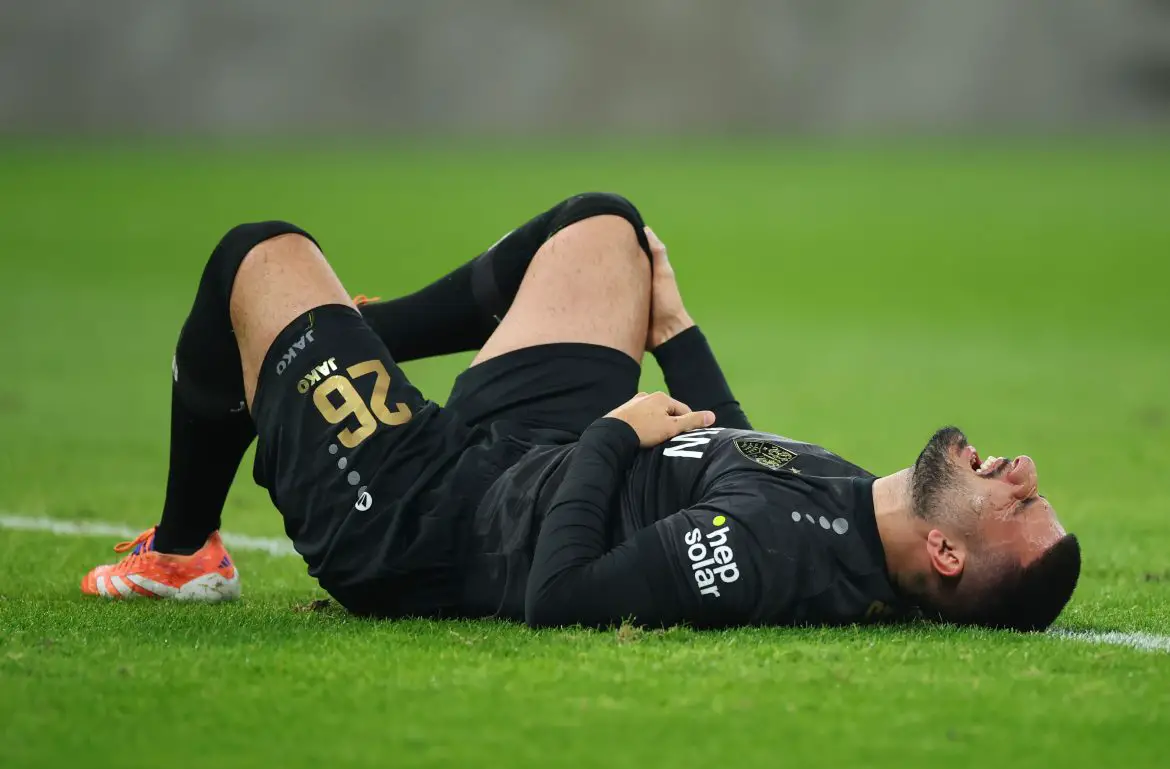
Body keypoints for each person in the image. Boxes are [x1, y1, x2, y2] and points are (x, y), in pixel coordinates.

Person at [81, 194, 1081, 631]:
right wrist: (675, 325)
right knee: (609, 231)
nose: (1024, 469)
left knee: (252, 255)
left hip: (427, 517)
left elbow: (556, 597)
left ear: (947, 558)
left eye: (1021, 506)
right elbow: (723, 443)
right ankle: (361, 331)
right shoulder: (849, 505)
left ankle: (182, 557)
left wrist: (612, 434)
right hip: (534, 452)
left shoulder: (766, 557)